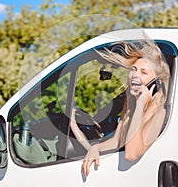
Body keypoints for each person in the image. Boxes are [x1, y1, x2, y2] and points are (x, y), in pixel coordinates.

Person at [70, 39, 170, 176]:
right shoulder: (130, 107)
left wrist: (141, 104)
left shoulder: (159, 114)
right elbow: (117, 141)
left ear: (156, 83)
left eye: (143, 72)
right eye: (133, 70)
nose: (135, 75)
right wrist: (95, 147)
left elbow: (131, 154)